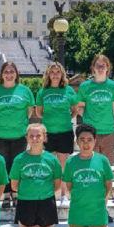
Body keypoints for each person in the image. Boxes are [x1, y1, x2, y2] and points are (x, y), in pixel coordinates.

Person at [10, 123, 62, 227]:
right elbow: (14, 185)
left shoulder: (52, 160)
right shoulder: (20, 159)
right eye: (31, 136)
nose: (34, 139)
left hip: (46, 203)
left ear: (44, 137)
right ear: (26, 138)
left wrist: (41, 191)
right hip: (26, 204)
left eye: (38, 135)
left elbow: (56, 184)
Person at [62, 124, 114, 227]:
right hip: (77, 214)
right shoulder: (71, 162)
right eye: (82, 140)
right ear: (77, 141)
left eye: (89, 140)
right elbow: (68, 186)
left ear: (95, 141)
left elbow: (108, 184)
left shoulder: (102, 160)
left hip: (97, 214)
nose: (86, 143)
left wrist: (101, 201)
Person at [0, 61, 35, 209]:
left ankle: (16, 193)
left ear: (16, 74)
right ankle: (6, 194)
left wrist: (22, 123)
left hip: (19, 134)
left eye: (12, 71)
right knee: (4, 164)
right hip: (0, 134)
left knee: (17, 164)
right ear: (1, 74)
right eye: (6, 72)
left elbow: (30, 110)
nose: (9, 74)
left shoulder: (24, 91)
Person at [35, 61, 77, 207]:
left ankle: (64, 195)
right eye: (52, 72)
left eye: (58, 72)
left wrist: (62, 119)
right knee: (48, 165)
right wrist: (51, 120)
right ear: (48, 74)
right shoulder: (43, 92)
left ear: (62, 74)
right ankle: (50, 194)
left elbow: (74, 110)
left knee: (63, 165)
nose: (55, 75)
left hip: (65, 132)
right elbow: (39, 112)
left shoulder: (68, 90)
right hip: (48, 133)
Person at [76, 54, 114, 165]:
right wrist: (90, 119)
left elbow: (112, 107)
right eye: (98, 65)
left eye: (103, 66)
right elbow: (80, 108)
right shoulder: (85, 86)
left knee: (107, 166)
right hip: (90, 133)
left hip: (108, 132)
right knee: (91, 166)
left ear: (107, 68)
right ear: (93, 68)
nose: (100, 68)